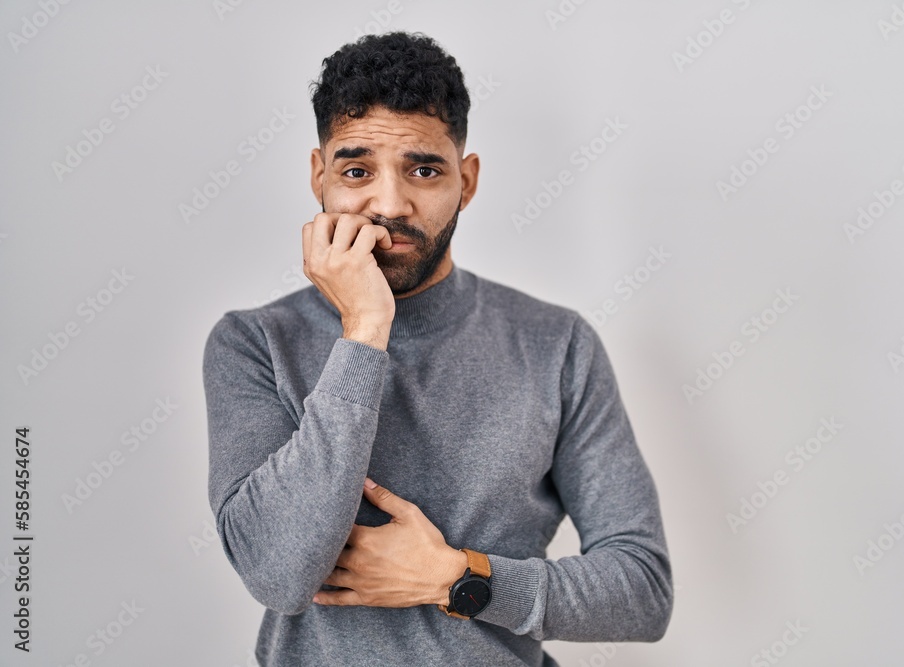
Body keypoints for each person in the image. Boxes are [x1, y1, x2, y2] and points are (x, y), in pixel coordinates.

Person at [202, 30, 672, 667]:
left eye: (423, 169)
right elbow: (279, 573)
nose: (390, 204)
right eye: (357, 170)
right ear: (320, 176)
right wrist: (366, 328)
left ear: (467, 181)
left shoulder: (556, 344)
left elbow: (642, 590)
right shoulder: (253, 344)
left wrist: (458, 579)